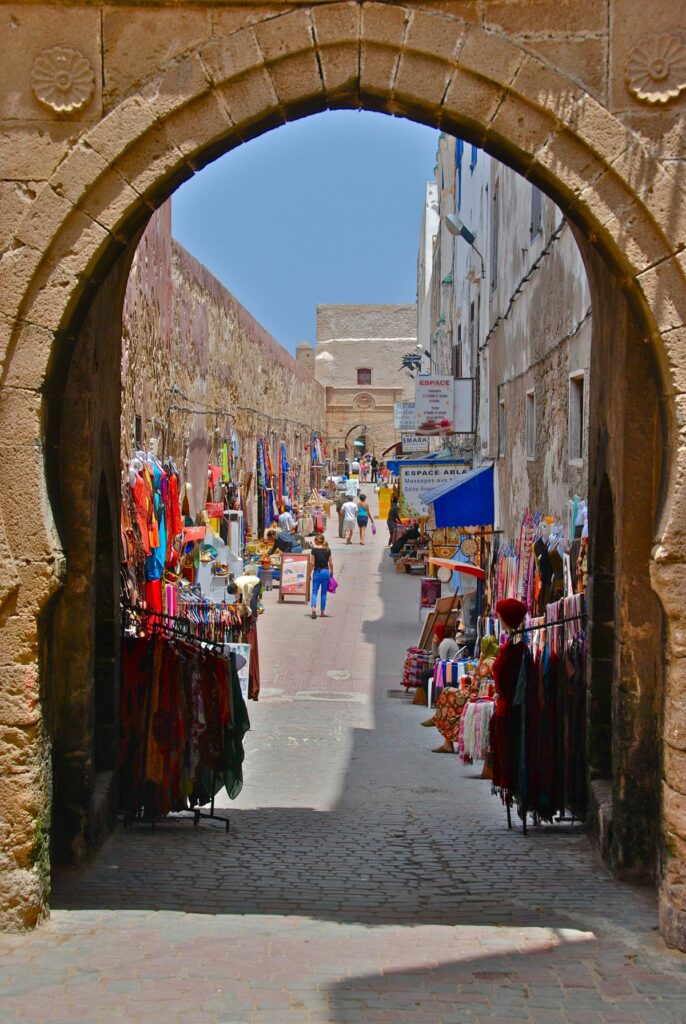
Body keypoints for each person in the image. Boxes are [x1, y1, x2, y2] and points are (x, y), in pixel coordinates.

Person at [310, 534, 333, 619]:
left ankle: (313, 609)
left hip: (317, 572)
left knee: (314, 591)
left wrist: (309, 573)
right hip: (326, 572)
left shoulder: (314, 550)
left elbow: (312, 563)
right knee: (323, 593)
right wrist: (332, 572)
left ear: (317, 541)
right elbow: (331, 563)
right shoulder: (327, 550)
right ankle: (322, 612)